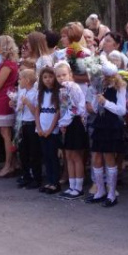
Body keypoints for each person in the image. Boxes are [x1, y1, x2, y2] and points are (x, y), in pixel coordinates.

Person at [86, 60, 126, 206]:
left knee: (109, 156)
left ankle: (111, 193)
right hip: (100, 123)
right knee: (96, 156)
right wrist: (95, 102)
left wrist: (105, 103)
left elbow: (122, 110)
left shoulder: (119, 87)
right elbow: (96, 109)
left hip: (111, 124)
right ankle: (100, 190)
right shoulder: (100, 86)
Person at [54, 62, 88, 199]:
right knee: (68, 155)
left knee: (75, 156)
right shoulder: (62, 88)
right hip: (66, 123)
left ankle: (78, 187)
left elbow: (76, 108)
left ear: (70, 75)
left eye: (64, 75)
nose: (61, 78)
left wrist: (64, 122)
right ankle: (72, 185)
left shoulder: (72, 87)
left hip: (74, 123)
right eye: (58, 76)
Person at [0, 35, 20, 178]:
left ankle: (9, 165)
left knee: (6, 134)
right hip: (5, 97)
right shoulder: (10, 63)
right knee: (7, 134)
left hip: (4, 99)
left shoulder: (7, 65)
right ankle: (12, 163)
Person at [36, 66, 62, 194]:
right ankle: (49, 180)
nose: (48, 80)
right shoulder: (40, 93)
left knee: (53, 155)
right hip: (42, 127)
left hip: (52, 129)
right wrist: (39, 127)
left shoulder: (57, 93)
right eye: (45, 77)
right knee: (45, 156)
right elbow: (37, 111)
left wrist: (50, 129)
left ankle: (55, 182)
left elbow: (57, 112)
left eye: (50, 77)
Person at [14, 68, 41, 189]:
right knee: (23, 151)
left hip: (31, 124)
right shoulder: (23, 92)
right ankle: (26, 175)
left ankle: (36, 177)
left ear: (27, 80)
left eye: (20, 79)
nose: (19, 81)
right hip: (23, 122)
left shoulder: (35, 93)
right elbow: (19, 108)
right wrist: (16, 105)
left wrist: (28, 103)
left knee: (34, 152)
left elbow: (36, 111)